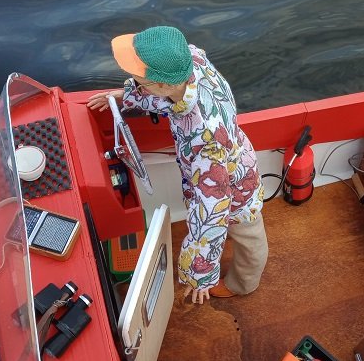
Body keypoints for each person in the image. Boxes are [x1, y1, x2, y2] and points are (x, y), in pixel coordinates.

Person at [87, 26, 268, 304]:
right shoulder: (191, 60)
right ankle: (228, 254)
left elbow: (213, 212)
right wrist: (127, 96)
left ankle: (243, 284)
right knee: (236, 230)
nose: (136, 84)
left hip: (236, 185)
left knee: (249, 236)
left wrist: (201, 274)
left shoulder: (205, 138)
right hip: (233, 155)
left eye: (141, 82)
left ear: (162, 85)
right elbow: (172, 97)